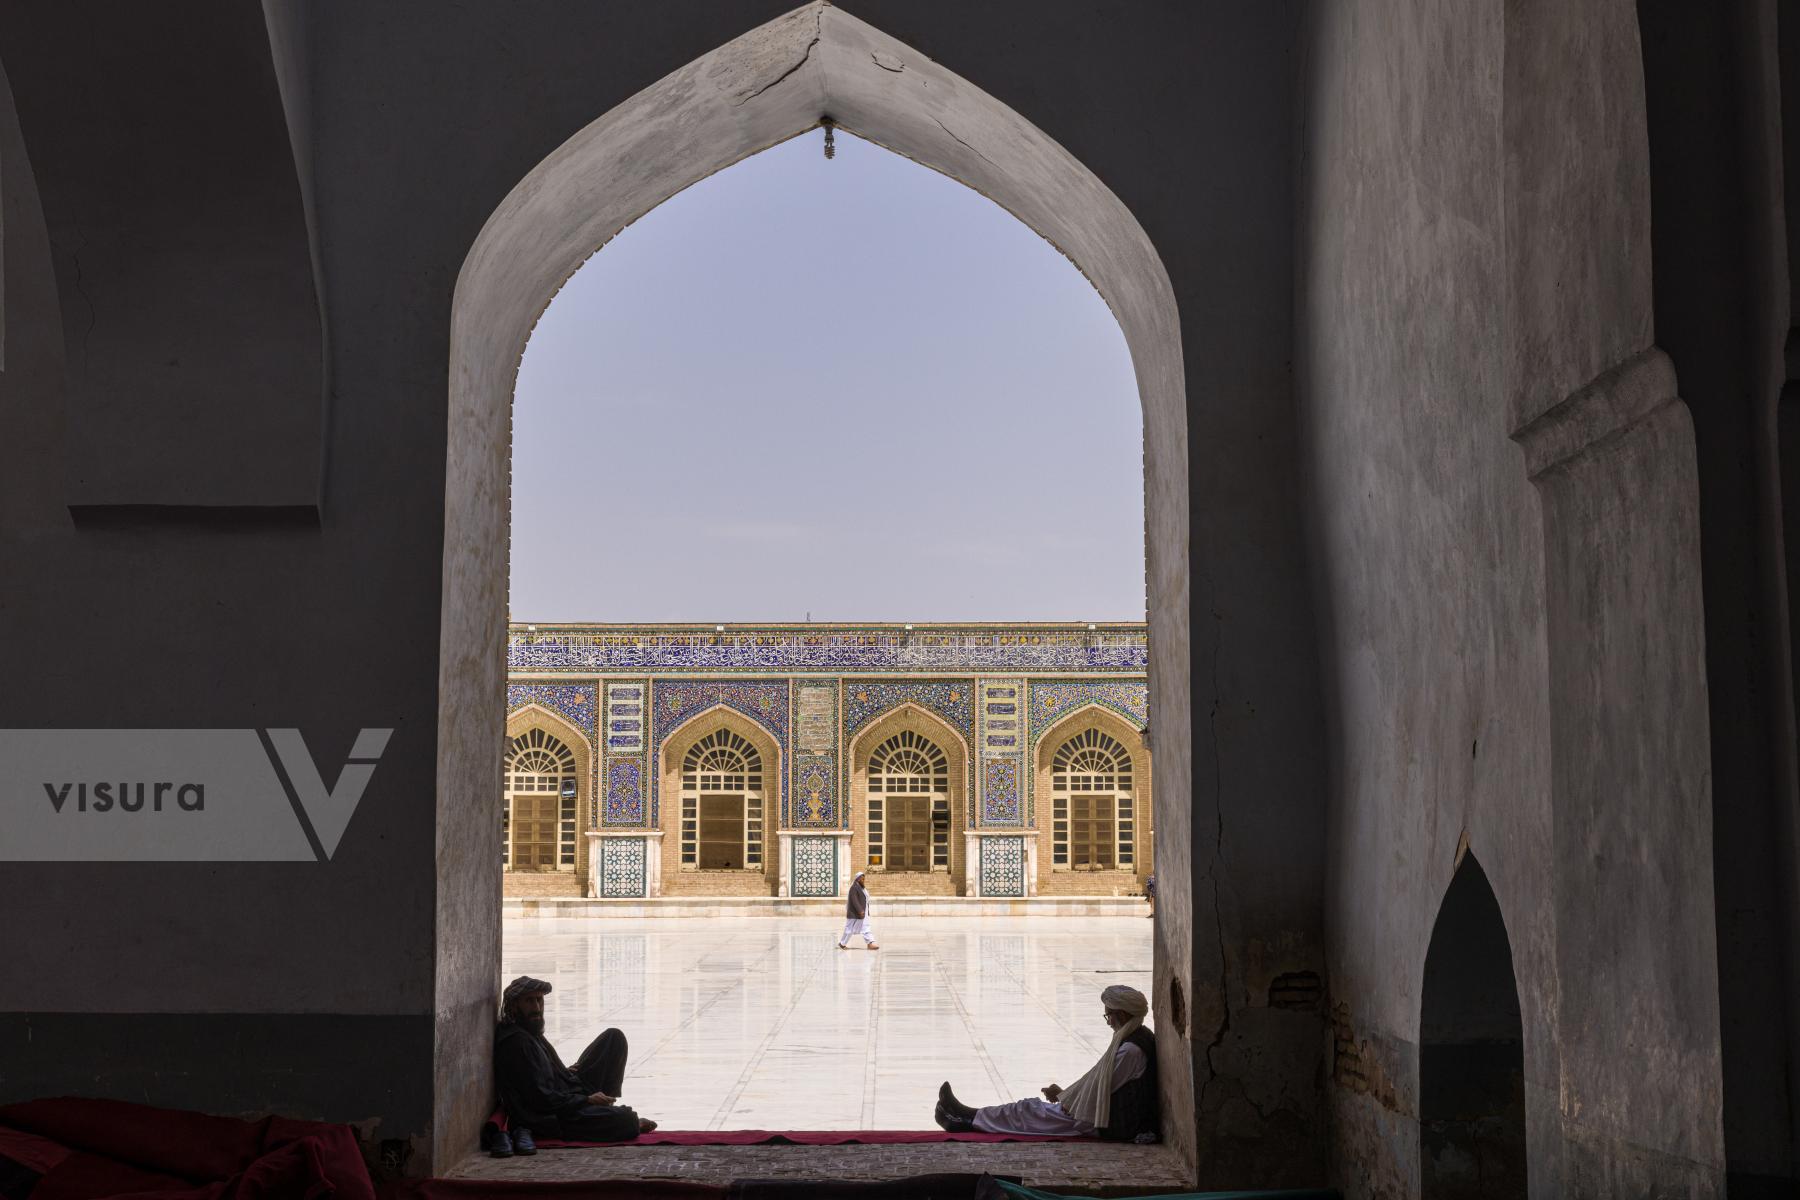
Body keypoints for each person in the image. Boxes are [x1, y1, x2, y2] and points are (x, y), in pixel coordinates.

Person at [934, 984, 1159, 1142]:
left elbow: (1100, 1087)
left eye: (1108, 1015)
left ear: (1121, 1014)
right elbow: (1098, 1083)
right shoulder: (1136, 1036)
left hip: (1107, 1122)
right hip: (1101, 1113)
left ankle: (966, 1120)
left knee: (1028, 1111)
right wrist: (1066, 1097)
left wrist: (1066, 1099)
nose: (1108, 1021)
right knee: (1030, 1110)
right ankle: (967, 1115)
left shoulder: (1131, 1050)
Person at [489, 975, 657, 1155]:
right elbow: (541, 1099)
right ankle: (602, 1110)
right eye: (529, 1001)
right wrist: (586, 1100)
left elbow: (540, 1072)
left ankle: (603, 1105)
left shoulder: (528, 1028)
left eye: (539, 1000)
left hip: (566, 1088)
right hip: (553, 1114)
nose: (537, 1007)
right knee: (627, 1120)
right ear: (515, 1005)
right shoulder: (517, 1042)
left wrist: (561, 1072)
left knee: (613, 1039)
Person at [837, 870, 879, 949]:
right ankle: (842, 943)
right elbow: (854, 900)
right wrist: (860, 910)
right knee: (849, 929)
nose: (863, 881)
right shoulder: (854, 888)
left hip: (863, 912)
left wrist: (864, 911)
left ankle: (870, 943)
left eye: (864, 879)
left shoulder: (861, 888)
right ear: (857, 879)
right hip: (856, 913)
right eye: (862, 879)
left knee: (865, 927)